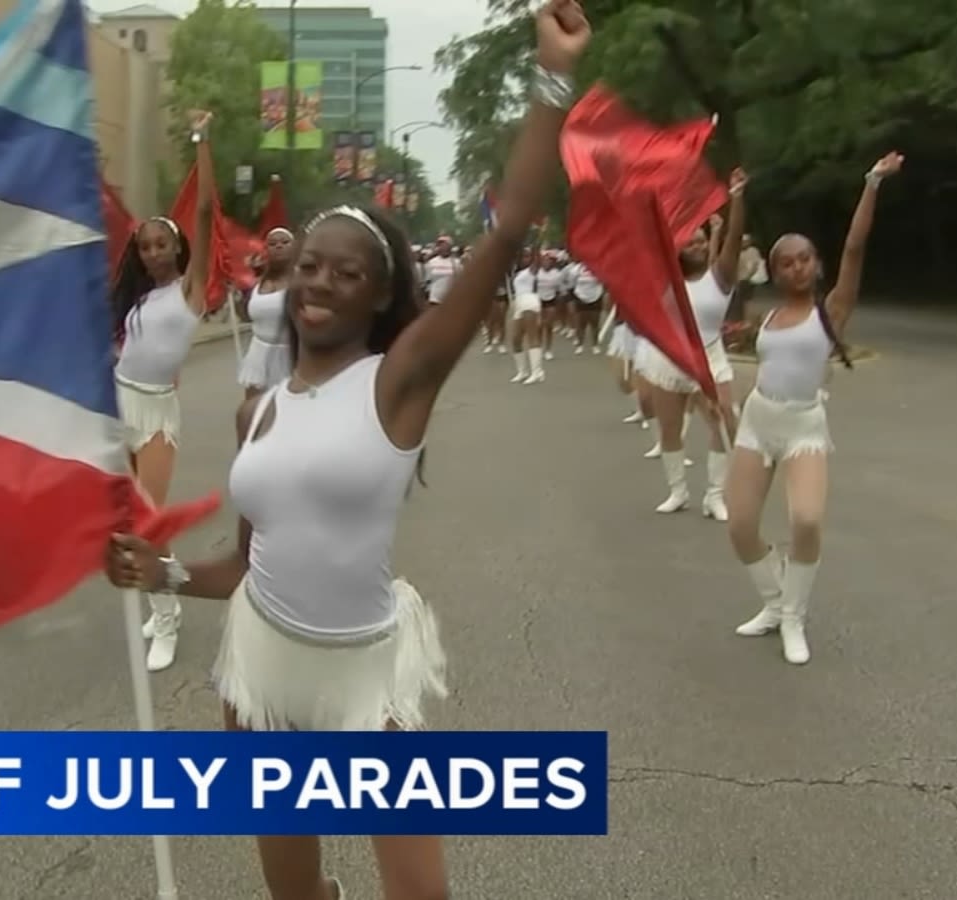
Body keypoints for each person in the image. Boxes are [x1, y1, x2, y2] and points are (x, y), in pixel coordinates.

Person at [102, 4, 591, 897]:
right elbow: (248, 566)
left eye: (345, 271)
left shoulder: (400, 379)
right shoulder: (259, 411)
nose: (318, 282)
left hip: (365, 676)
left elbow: (510, 224)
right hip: (262, 671)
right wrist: (161, 574)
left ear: (379, 295)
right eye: (306, 268)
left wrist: (553, 79)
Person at [725, 151, 904, 666]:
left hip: (804, 424)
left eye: (805, 258)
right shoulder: (770, 316)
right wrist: (736, 198)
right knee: (739, 525)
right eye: (787, 261)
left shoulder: (833, 310)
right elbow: (732, 251)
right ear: (774, 271)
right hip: (759, 420)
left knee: (805, 520)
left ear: (815, 264)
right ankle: (774, 603)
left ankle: (794, 618)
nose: (798, 266)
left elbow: (854, 247)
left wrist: (871, 182)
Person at [108, 111, 217, 673]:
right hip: (117, 400)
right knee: (125, 520)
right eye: (145, 246)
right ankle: (158, 601)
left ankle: (169, 613)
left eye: (161, 244)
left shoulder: (191, 292)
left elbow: (202, 210)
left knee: (150, 520)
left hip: (155, 413)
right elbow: (126, 349)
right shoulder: (138, 300)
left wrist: (201, 140)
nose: (153, 253)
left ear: (177, 249)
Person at [633, 169, 749, 520]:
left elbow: (733, 238)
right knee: (669, 429)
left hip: (710, 356)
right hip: (670, 358)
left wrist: (737, 197)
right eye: (691, 242)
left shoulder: (721, 277)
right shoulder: (666, 280)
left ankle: (715, 496)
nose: (698, 246)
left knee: (725, 420)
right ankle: (678, 491)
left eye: (702, 241)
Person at [235, 227, 296, 399]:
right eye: (272, 244)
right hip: (258, 356)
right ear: (266, 250)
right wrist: (238, 294)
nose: (279, 246)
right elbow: (246, 316)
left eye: (285, 242)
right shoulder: (257, 283)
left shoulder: (301, 281)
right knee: (256, 414)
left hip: (289, 357)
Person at [508, 248, 546, 384]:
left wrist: (538, 242)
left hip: (530, 300)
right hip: (519, 302)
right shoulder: (517, 272)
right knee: (516, 339)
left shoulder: (531, 271)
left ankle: (536, 372)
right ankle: (522, 371)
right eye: (523, 256)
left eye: (528, 256)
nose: (526, 259)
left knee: (532, 336)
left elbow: (538, 260)